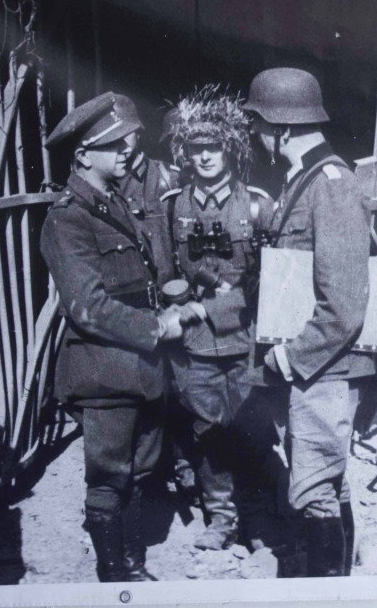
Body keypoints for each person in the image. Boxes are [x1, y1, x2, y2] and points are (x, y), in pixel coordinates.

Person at [38, 91, 192, 582]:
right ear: (83, 155)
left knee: (142, 470)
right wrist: (157, 326)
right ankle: (114, 579)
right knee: (108, 478)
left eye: (129, 140)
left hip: (142, 368)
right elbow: (87, 307)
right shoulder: (67, 218)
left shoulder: (115, 203)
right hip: (103, 371)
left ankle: (133, 566)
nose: (129, 150)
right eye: (114, 144)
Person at [245, 67, 372, 577]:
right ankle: (338, 583)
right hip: (316, 364)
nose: (256, 133)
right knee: (324, 481)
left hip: (325, 365)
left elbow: (344, 304)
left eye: (259, 123)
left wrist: (290, 356)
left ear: (281, 127)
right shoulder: (302, 179)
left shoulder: (330, 185)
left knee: (315, 488)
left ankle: (327, 598)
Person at [161, 85, 276, 551]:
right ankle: (221, 518)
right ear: (186, 154)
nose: (205, 157)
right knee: (207, 431)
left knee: (253, 431)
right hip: (195, 342)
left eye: (213, 147)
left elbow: (275, 279)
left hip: (245, 339)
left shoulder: (258, 204)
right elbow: (164, 270)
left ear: (229, 149)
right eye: (196, 149)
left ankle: (257, 519)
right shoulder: (172, 206)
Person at [116, 123, 198, 498]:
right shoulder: (106, 179)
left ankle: (184, 463)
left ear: (139, 134)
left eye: (128, 134)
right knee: (142, 387)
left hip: (172, 297)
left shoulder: (169, 176)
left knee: (181, 385)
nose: (122, 144)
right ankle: (146, 473)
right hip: (133, 302)